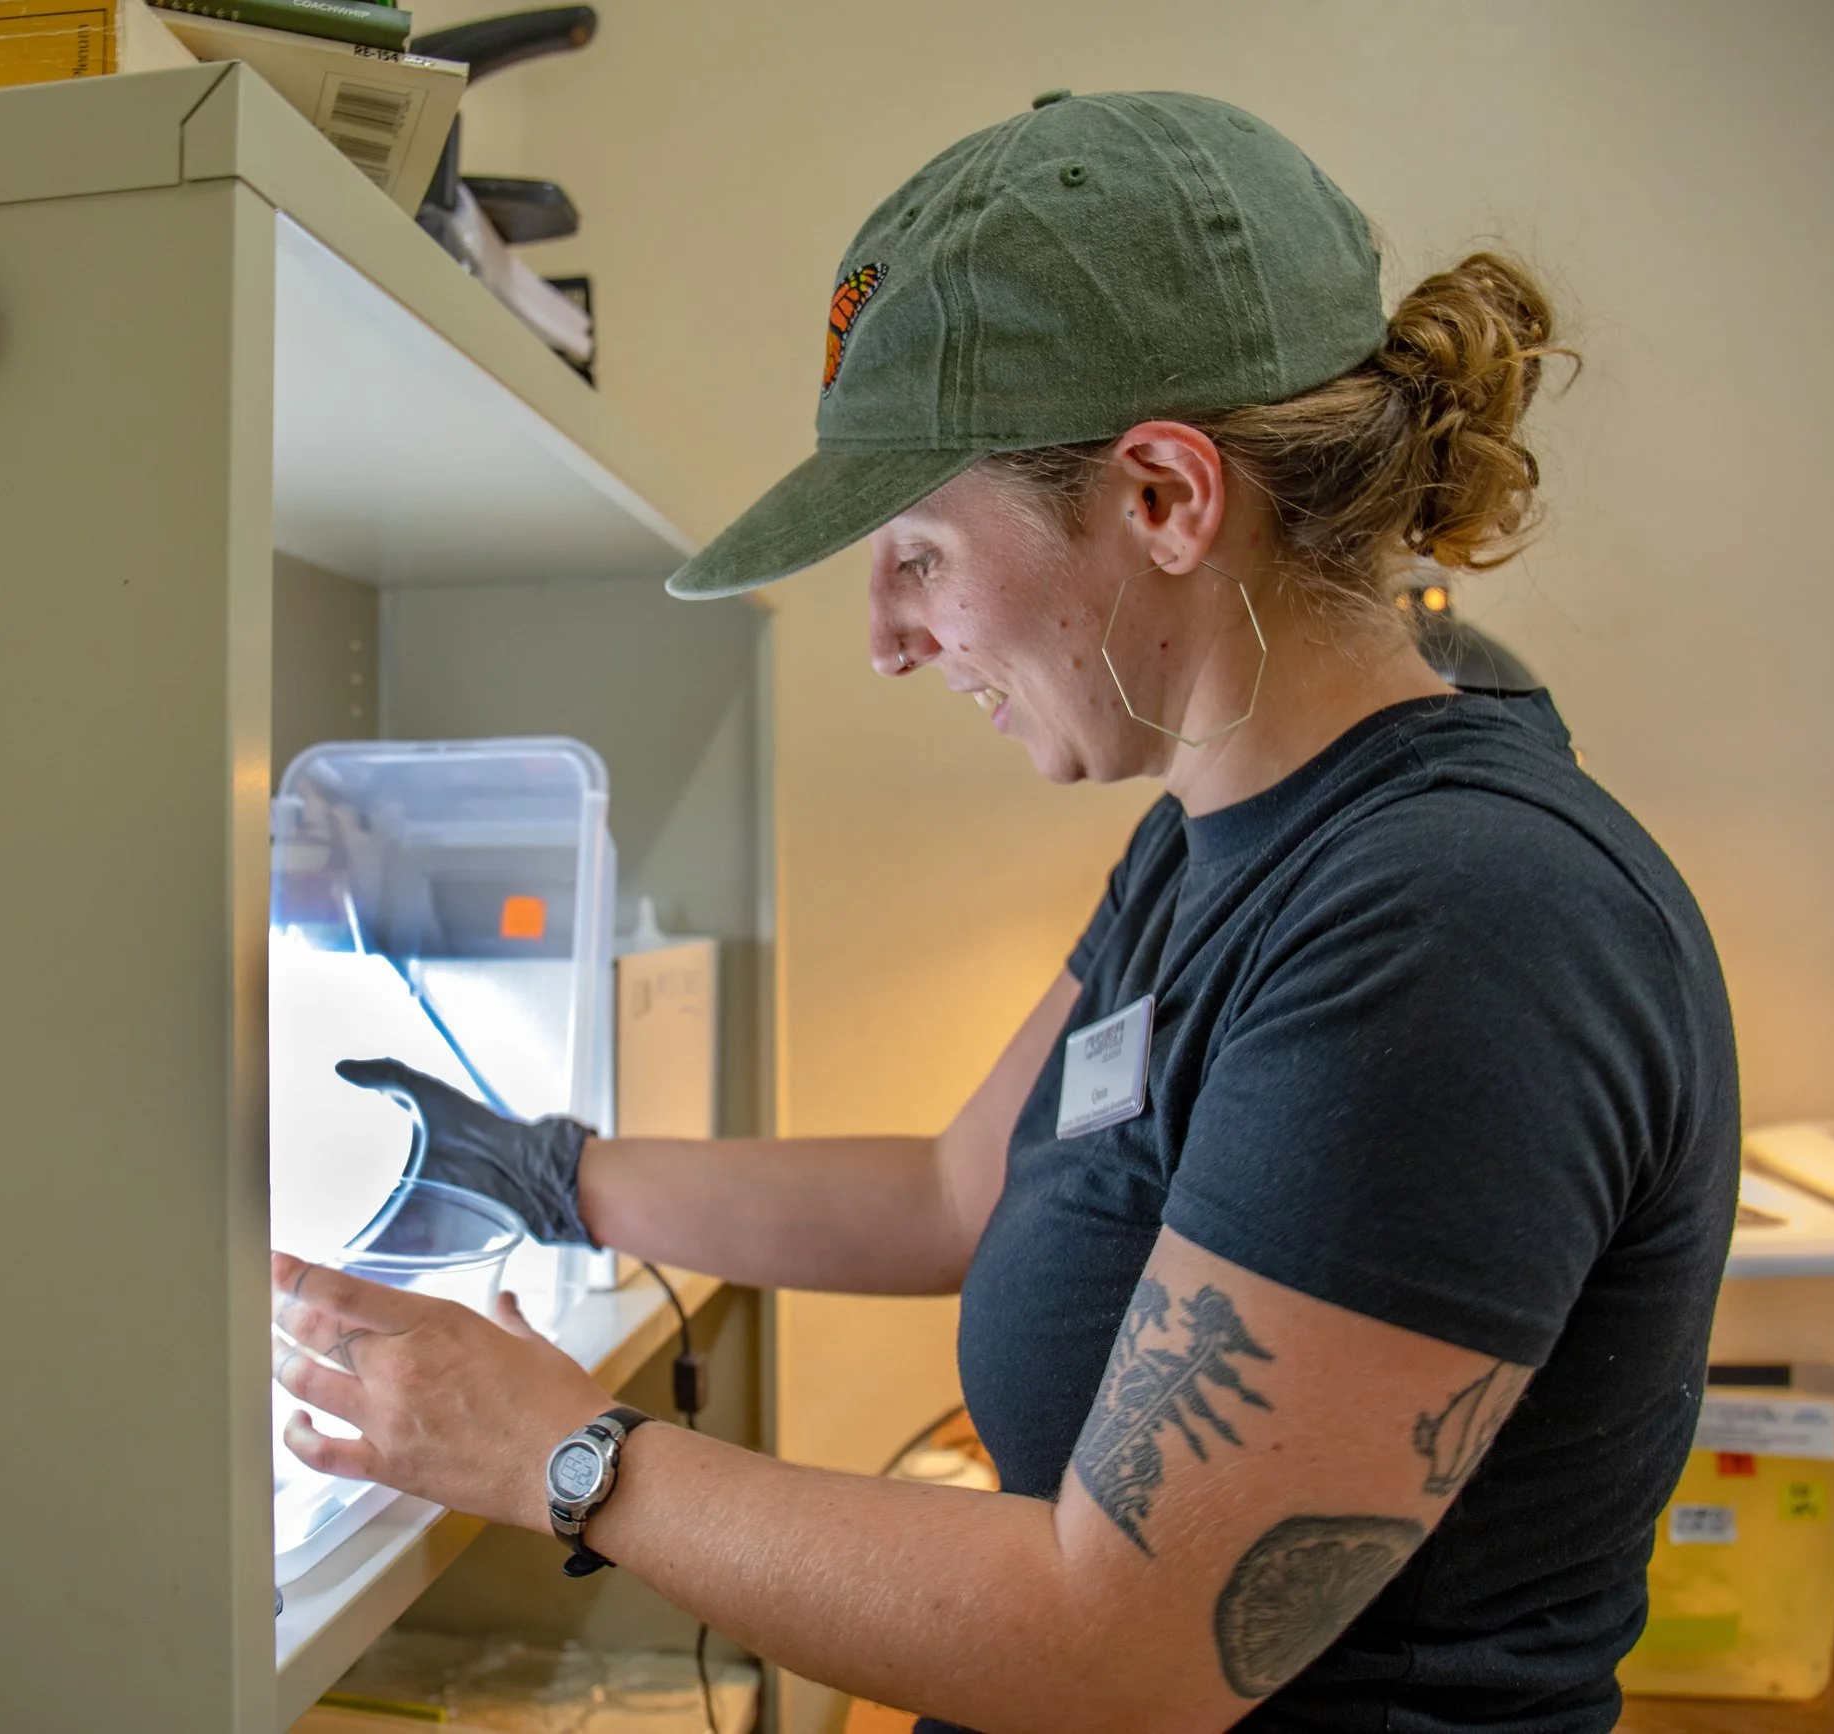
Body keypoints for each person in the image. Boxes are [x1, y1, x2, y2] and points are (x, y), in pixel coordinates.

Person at [273, 89, 1739, 1734]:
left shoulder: (1459, 925)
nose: (889, 642)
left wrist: (564, 1453)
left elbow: (1119, 1649)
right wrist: (544, 1171)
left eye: (916, 552)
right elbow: (957, 1191)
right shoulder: (1211, 844)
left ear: (1167, 498)